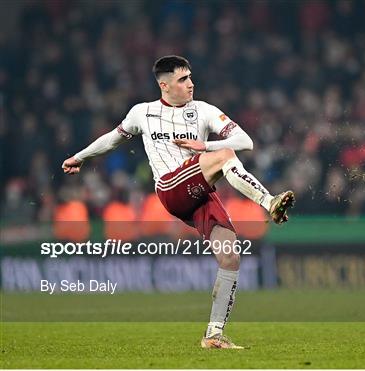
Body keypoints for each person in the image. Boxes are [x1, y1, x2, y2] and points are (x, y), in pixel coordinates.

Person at [62, 55, 295, 349]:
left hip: (199, 192)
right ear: (165, 84)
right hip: (170, 188)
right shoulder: (142, 113)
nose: (191, 84)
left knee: (230, 256)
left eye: (190, 77)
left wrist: (205, 144)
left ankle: (214, 335)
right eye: (183, 79)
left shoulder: (204, 111)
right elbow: (111, 139)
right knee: (224, 157)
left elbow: (245, 141)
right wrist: (79, 157)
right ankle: (269, 201)